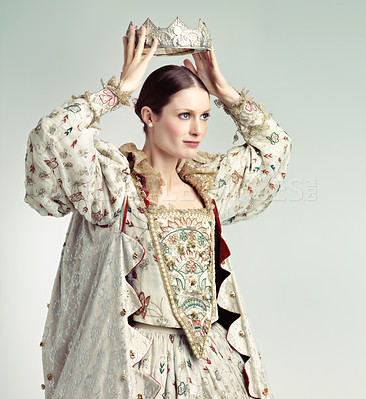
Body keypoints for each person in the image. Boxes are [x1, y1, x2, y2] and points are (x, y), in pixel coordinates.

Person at [25, 22, 292, 399]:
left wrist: (224, 92)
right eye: (184, 116)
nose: (197, 129)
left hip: (212, 363)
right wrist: (119, 90)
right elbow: (53, 134)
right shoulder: (116, 187)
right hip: (138, 367)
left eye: (204, 116)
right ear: (149, 116)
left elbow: (274, 148)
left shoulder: (208, 186)